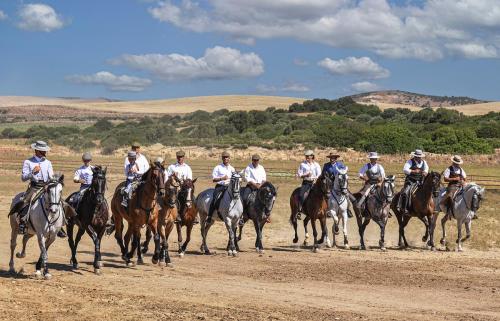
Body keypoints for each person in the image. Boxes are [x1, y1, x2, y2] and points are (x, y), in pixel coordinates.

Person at [9, 141, 62, 236]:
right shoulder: (28, 162)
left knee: (59, 201)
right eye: (43, 151)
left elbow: (51, 176)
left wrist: (54, 180)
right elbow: (23, 178)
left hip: (46, 187)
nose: (45, 153)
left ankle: (59, 225)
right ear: (37, 151)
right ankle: (23, 223)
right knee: (25, 202)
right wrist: (32, 172)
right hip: (34, 187)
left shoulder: (48, 162)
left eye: (45, 151)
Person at [206, 151, 235, 224]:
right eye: (224, 157)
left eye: (227, 157)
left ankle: (240, 216)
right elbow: (214, 179)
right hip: (220, 186)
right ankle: (209, 216)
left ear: (229, 158)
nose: (225, 158)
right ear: (222, 158)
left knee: (238, 197)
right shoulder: (218, 167)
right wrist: (222, 178)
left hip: (229, 187)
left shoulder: (232, 168)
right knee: (215, 198)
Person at [165, 150, 194, 223]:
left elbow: (189, 179)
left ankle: (194, 215)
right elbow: (167, 178)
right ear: (176, 157)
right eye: (178, 157)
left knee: (192, 196)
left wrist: (184, 183)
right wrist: (172, 176)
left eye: (181, 157)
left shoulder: (187, 168)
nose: (180, 158)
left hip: (185, 187)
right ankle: (176, 214)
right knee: (174, 196)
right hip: (175, 186)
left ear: (184, 157)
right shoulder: (172, 167)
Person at [397, 149, 429, 214]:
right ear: (414, 156)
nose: (418, 158)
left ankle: (427, 207)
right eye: (417, 156)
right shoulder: (410, 162)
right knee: (406, 192)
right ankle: (404, 208)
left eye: (419, 156)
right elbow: (405, 169)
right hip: (410, 181)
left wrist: (425, 173)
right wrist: (413, 171)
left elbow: (426, 169)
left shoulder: (424, 162)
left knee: (429, 191)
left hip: (420, 181)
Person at [241, 154, 268, 224]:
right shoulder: (248, 168)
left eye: (257, 160)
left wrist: (260, 185)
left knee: (267, 198)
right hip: (251, 186)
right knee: (244, 198)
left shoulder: (261, 168)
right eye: (254, 160)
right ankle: (243, 215)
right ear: (252, 160)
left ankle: (266, 215)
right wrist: (255, 185)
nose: (256, 161)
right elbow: (247, 178)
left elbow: (264, 178)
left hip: (260, 186)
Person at [296, 150, 321, 219]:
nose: (307, 157)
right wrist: (305, 175)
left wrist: (316, 179)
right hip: (306, 182)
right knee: (301, 195)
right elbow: (299, 174)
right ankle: (299, 210)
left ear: (312, 156)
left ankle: (325, 209)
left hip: (315, 183)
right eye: (306, 156)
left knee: (324, 193)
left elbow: (319, 174)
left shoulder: (316, 165)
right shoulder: (302, 164)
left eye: (308, 156)